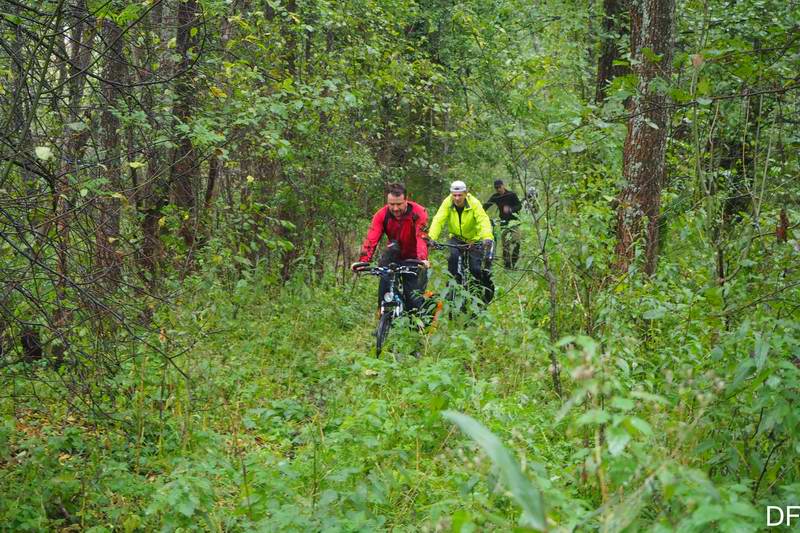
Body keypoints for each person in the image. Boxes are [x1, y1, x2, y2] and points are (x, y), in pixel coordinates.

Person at [351, 183, 429, 314]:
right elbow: (372, 238)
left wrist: (422, 259)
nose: (395, 208)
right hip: (394, 254)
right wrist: (364, 260)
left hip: (414, 257)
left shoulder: (419, 212)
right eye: (391, 204)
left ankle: (418, 323)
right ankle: (383, 317)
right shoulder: (381, 215)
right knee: (385, 283)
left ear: (406, 200)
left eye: (399, 204)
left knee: (414, 302)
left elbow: (421, 237)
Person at [427, 180, 495, 304]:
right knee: (453, 261)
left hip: (474, 239)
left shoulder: (474, 203)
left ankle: (478, 298)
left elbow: (483, 219)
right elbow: (439, 219)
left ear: (466, 193)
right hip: (456, 238)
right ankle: (452, 292)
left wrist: (487, 237)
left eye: (460, 195)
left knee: (475, 269)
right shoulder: (447, 203)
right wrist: (431, 238)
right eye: (454, 195)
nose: (457, 198)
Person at [483, 179, 522, 269]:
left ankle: (514, 263)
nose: (498, 189)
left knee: (516, 242)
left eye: (499, 187)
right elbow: (485, 206)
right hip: (503, 223)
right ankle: (507, 265)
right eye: (496, 188)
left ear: (503, 186)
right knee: (505, 244)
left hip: (514, 222)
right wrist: (481, 215)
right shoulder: (495, 197)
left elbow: (519, 206)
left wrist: (511, 210)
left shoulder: (511, 195)